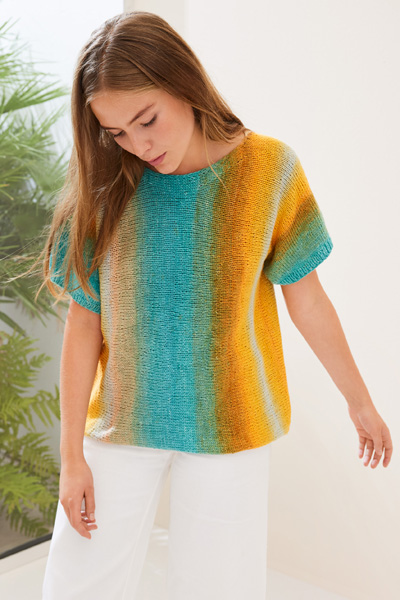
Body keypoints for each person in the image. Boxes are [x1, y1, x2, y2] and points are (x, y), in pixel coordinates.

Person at [39, 10, 393, 600]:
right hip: (120, 422)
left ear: (184, 82)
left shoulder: (270, 170)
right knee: (75, 587)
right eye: (117, 132)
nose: (138, 145)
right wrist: (71, 456)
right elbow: (83, 321)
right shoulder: (107, 183)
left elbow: (307, 298)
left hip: (232, 423)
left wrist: (360, 402)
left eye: (147, 119)